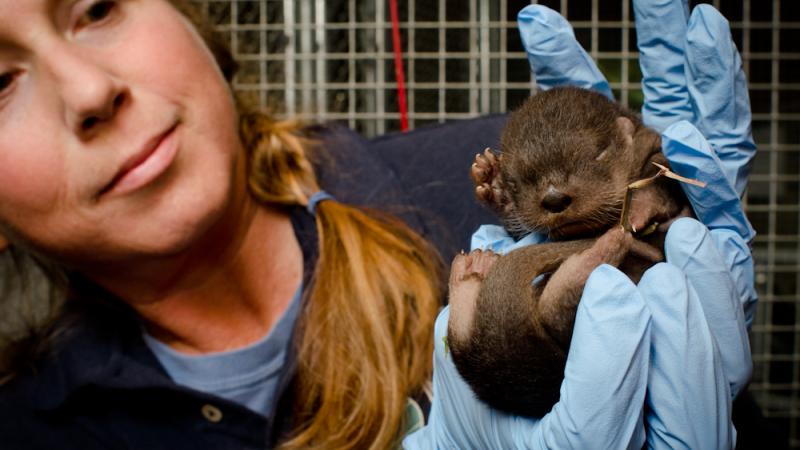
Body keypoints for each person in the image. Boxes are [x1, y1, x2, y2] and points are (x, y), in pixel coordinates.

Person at [0, 2, 754, 450]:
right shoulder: (31, 429)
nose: (91, 90)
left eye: (96, 6)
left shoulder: (496, 185)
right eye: (0, 82)